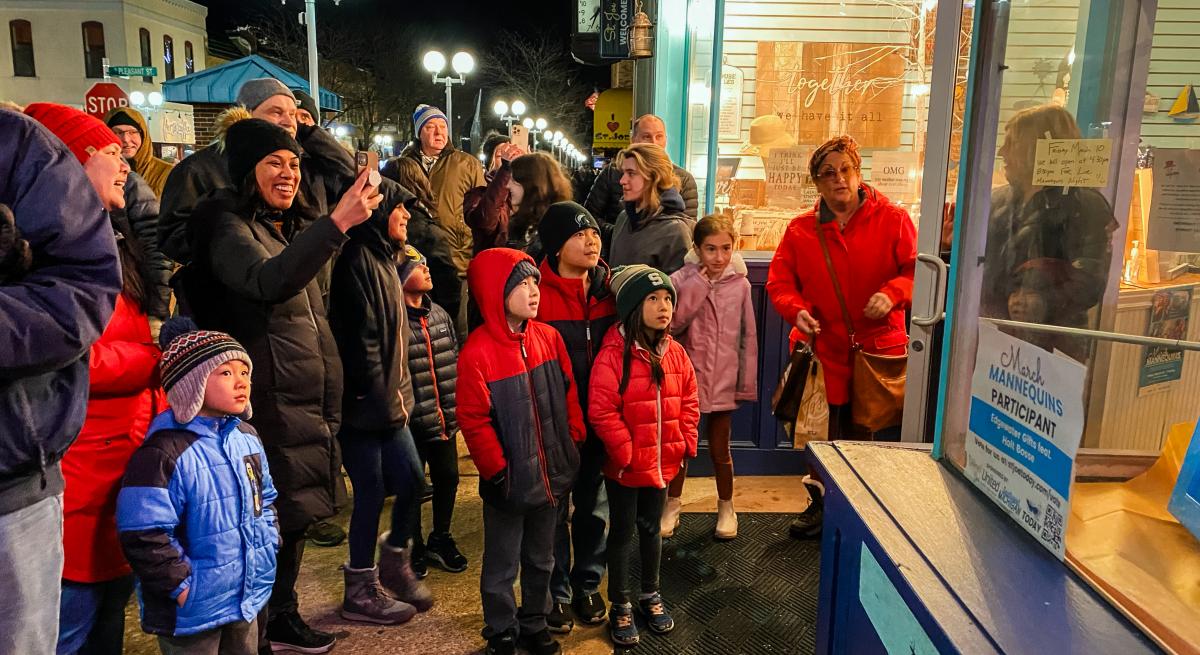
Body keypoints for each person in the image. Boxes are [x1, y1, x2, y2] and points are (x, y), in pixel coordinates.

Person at [184, 117, 380, 653]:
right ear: (247, 169)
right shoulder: (223, 223)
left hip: (302, 394)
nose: (289, 173)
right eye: (275, 162)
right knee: (263, 520)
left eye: (294, 163)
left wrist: (323, 159)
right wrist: (336, 223)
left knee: (292, 515)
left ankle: (282, 615)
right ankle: (259, 630)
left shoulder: (280, 225)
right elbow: (267, 282)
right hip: (263, 399)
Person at [2, 104, 121, 655]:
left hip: (17, 482)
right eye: (114, 153)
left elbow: (82, 301)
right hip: (81, 450)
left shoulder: (14, 145)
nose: (126, 165)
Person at [50, 108, 166, 655]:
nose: (125, 165)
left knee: (109, 617)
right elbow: (71, 357)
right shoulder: (50, 250)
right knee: (71, 624)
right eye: (110, 154)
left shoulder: (111, 241)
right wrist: (153, 358)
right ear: (74, 161)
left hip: (124, 459)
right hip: (79, 469)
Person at [765, 135, 916, 539]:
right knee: (820, 433)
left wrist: (893, 293)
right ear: (817, 183)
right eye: (828, 174)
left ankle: (860, 511)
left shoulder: (894, 219)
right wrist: (796, 309)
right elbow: (779, 283)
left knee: (865, 434)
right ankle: (820, 503)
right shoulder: (800, 230)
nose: (839, 180)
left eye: (845, 170)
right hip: (822, 350)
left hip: (875, 349)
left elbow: (915, 271)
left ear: (858, 172)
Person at [116, 319, 277, 655]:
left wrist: (270, 544)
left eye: (244, 372)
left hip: (246, 594)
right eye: (226, 373)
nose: (241, 383)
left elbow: (266, 499)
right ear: (192, 383)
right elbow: (143, 531)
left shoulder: (246, 438)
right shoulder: (162, 452)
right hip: (193, 611)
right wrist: (181, 586)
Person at [457, 248, 586, 655]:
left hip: (551, 476)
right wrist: (498, 471)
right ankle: (501, 631)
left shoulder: (548, 338)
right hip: (509, 484)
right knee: (500, 566)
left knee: (542, 558)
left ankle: (534, 622)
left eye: (535, 282)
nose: (534, 291)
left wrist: (573, 441)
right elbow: (473, 421)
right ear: (496, 292)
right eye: (522, 284)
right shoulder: (477, 353)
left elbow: (569, 392)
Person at [328, 182, 433, 624]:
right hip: (364, 405)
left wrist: (399, 396)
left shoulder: (385, 260)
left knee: (411, 482)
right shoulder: (356, 259)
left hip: (391, 401)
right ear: (378, 211)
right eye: (400, 210)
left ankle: (393, 559)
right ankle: (360, 587)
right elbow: (359, 340)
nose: (406, 217)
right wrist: (377, 397)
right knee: (371, 491)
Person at [588, 264, 699, 648]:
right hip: (625, 468)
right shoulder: (614, 354)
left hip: (662, 463)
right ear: (634, 307)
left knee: (652, 531)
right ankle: (619, 602)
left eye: (667, 298)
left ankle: (650, 594)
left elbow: (689, 400)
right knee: (620, 534)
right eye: (653, 299)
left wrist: (685, 440)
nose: (664, 306)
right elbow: (602, 409)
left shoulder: (676, 353)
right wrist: (625, 450)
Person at [159, 78, 356, 270]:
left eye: (293, 114)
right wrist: (236, 255)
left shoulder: (303, 166)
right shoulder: (199, 168)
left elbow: (351, 177)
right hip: (236, 292)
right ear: (247, 115)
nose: (289, 122)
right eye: (276, 112)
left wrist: (310, 133)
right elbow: (172, 235)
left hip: (304, 289)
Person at [534, 202, 618, 633]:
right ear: (555, 244)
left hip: (600, 421)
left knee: (593, 507)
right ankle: (557, 592)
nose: (591, 241)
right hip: (554, 424)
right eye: (578, 234)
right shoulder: (535, 292)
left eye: (594, 234)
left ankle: (589, 584)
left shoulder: (610, 289)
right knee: (553, 513)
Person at [981, 104, 1117, 363]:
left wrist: (1042, 301)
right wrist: (949, 246)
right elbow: (982, 271)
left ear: (1037, 149)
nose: (1002, 153)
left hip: (1055, 346)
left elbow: (1090, 279)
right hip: (996, 338)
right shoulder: (997, 201)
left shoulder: (1084, 205)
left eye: (1012, 144)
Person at [664, 214, 757, 540]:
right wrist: (699, 285)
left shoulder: (741, 284)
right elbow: (672, 324)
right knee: (681, 447)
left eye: (726, 249)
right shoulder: (679, 280)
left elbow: (748, 337)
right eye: (710, 249)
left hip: (724, 380)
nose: (719, 257)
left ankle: (727, 506)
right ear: (697, 249)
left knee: (721, 448)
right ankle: (672, 504)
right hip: (687, 381)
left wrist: (745, 384)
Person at [399, 249, 467, 578]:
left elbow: (452, 358)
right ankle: (412, 545)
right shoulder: (395, 320)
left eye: (426, 262)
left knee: (448, 478)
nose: (426, 268)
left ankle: (441, 537)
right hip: (412, 423)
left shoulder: (438, 313)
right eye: (416, 265)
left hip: (444, 419)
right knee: (411, 485)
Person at [401, 104, 486, 278]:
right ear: (419, 133)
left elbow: (480, 209)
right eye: (430, 127)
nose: (439, 133)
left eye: (443, 126)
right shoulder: (404, 165)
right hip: (414, 257)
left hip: (456, 256)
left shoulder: (467, 164)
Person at [381, 157, 462, 322]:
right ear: (421, 183)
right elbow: (449, 288)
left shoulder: (374, 228)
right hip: (426, 319)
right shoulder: (429, 232)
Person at [584, 114, 698, 226]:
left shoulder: (684, 179)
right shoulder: (612, 173)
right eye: (647, 136)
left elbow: (689, 226)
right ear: (633, 140)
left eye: (659, 136)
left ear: (666, 140)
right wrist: (617, 234)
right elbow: (589, 216)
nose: (654, 142)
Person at [609, 144, 693, 275]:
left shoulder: (675, 231)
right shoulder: (623, 218)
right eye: (623, 173)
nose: (622, 180)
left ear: (654, 177)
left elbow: (679, 290)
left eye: (631, 173)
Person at [464, 139, 519, 254]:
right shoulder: (477, 195)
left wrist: (536, 169)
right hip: (494, 264)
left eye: (516, 154)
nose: (512, 157)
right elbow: (486, 223)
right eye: (502, 155)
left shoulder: (529, 190)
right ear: (490, 163)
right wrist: (506, 169)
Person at [105, 106, 174, 198]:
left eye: (132, 132)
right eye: (118, 132)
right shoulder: (98, 172)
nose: (126, 139)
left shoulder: (166, 173)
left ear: (143, 135)